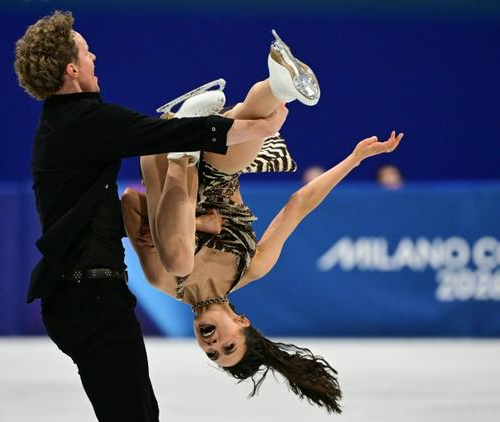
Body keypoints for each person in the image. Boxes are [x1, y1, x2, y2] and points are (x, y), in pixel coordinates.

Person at [13, 11, 287, 422]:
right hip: (89, 297)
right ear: (71, 69)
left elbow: (119, 190)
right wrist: (259, 128)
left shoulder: (68, 123)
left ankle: (266, 94)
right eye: (86, 52)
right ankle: (256, 102)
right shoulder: (82, 122)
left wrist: (187, 219)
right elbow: (164, 134)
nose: (93, 57)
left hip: (84, 297)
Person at [121, 32, 404, 414]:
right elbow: (297, 206)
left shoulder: (162, 280)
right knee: (253, 130)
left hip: (167, 163)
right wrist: (354, 159)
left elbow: (130, 200)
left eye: (212, 354)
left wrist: (193, 223)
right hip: (219, 165)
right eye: (228, 346)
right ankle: (280, 83)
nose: (213, 345)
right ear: (242, 321)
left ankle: (185, 142)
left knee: (179, 260)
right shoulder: (252, 266)